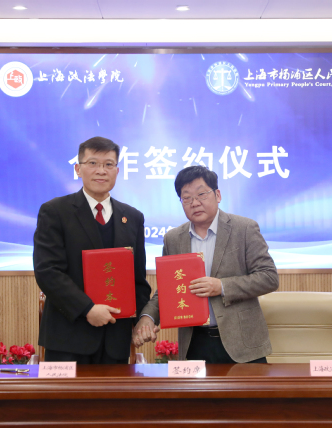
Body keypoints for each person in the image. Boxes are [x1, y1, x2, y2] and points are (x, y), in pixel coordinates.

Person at [133, 165, 278, 363]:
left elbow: (269, 277)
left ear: (217, 195)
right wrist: (147, 318)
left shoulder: (244, 228)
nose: (195, 203)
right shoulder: (173, 239)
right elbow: (167, 291)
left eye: (201, 194)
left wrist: (222, 286)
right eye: (187, 198)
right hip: (195, 344)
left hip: (242, 344)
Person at [34, 136, 151, 364]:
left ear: (117, 171)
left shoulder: (133, 217)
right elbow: (48, 271)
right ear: (78, 169)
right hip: (68, 338)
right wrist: (87, 309)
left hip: (115, 340)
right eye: (93, 163)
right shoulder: (55, 211)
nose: (101, 171)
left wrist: (141, 320)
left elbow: (138, 280)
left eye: (109, 164)